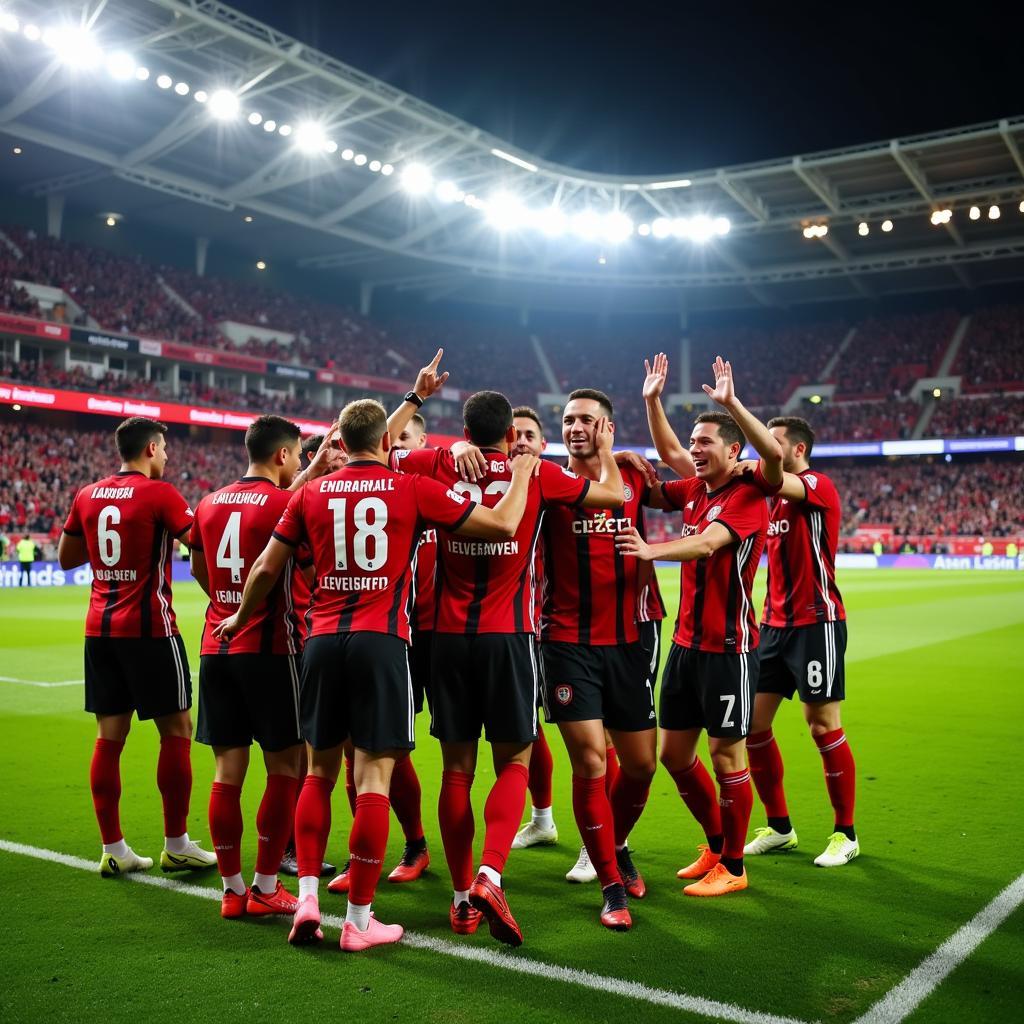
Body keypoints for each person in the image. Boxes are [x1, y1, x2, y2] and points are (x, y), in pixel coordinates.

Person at [213, 398, 538, 952]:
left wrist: (239, 617)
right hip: (382, 642)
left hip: (320, 642)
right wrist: (525, 470)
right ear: (387, 442)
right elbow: (503, 522)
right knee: (373, 780)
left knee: (317, 772)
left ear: (340, 440)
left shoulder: (311, 492)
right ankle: (359, 923)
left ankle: (309, 897)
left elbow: (267, 566)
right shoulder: (408, 486)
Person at [393, 390, 625, 943]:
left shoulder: (439, 461)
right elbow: (615, 493)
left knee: (455, 770)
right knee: (515, 759)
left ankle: (459, 901)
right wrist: (610, 449)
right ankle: (491, 874)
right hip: (508, 637)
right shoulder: (538, 474)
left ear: (465, 429)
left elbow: (375, 443)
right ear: (508, 433)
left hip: (445, 639)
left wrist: (425, 412)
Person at [618, 355, 782, 897]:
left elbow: (709, 543)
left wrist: (652, 548)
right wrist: (650, 401)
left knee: (725, 754)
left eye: (706, 440)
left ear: (734, 450)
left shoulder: (750, 494)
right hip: (686, 647)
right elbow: (667, 455)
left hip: (729, 650)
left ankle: (733, 866)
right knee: (674, 756)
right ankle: (716, 842)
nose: (695, 448)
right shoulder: (694, 490)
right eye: (695, 440)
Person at [57, 416, 216, 877]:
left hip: (99, 631)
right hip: (149, 631)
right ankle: (177, 843)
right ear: (149, 448)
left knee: (109, 739)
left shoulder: (87, 495)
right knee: (177, 732)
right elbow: (197, 539)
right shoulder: (160, 494)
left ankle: (113, 848)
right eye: (164, 448)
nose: (166, 455)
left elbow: (68, 558)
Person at [189, 415, 311, 920]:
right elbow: (303, 566)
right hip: (269, 649)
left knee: (226, 772)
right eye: (299, 454)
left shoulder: (209, 502)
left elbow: (198, 567)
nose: (301, 462)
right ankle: (265, 884)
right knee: (286, 766)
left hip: (215, 648)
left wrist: (225, 606)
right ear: (282, 455)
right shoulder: (287, 503)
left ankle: (232, 890)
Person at [738, 416, 859, 868]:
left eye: (774, 442)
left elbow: (767, 470)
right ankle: (781, 827)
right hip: (773, 625)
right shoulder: (769, 501)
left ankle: (845, 833)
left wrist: (732, 406)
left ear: (798, 450)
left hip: (817, 623)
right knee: (753, 726)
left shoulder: (817, 485)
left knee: (822, 725)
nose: (766, 449)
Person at [278, 432, 342, 880]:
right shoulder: (303, 507)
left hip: (335, 639)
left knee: (357, 758)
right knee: (307, 756)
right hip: (306, 638)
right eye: (331, 453)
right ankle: (290, 848)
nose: (342, 460)